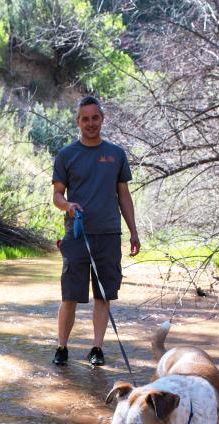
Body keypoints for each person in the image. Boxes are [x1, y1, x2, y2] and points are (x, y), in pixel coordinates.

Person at [51, 96, 140, 366]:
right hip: (77, 235)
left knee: (104, 295)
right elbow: (56, 195)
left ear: (102, 119)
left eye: (95, 118)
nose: (90, 123)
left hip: (109, 234)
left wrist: (133, 232)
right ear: (78, 122)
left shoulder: (116, 154)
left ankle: (97, 349)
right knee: (70, 296)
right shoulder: (66, 155)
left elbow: (124, 196)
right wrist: (67, 206)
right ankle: (62, 347)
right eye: (85, 119)